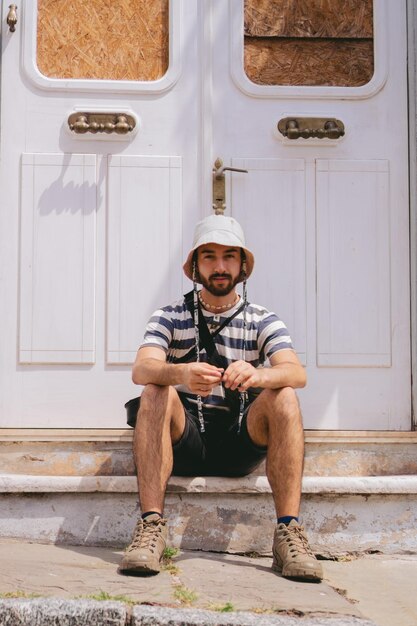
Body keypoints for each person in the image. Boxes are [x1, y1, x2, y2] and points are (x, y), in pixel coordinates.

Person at [119, 214, 323, 582]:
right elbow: (142, 368)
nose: (220, 266)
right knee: (154, 390)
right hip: (185, 441)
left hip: (238, 442)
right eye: (209, 256)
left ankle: (288, 533)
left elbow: (296, 372)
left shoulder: (263, 319)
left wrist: (259, 374)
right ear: (195, 267)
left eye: (230, 256)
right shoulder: (169, 316)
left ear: (243, 266)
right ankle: (151, 528)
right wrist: (181, 372)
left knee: (285, 395)